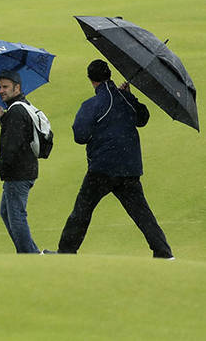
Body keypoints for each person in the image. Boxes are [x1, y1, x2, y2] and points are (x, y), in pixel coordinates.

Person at [56, 60, 174, 259]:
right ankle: (163, 252)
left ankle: (66, 252)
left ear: (91, 80)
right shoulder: (125, 99)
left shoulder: (92, 104)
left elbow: (80, 136)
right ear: (109, 75)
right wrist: (128, 95)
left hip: (102, 168)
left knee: (82, 211)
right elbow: (142, 118)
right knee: (142, 213)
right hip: (129, 168)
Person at [0, 70, 41, 254]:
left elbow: (12, 146)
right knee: (6, 212)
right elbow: (18, 135)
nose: (1, 90)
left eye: (5, 87)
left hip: (19, 172)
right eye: (0, 87)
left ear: (17, 88)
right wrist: (3, 117)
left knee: (16, 216)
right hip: (23, 170)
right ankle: (31, 252)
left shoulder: (17, 110)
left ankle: (29, 256)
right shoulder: (18, 108)